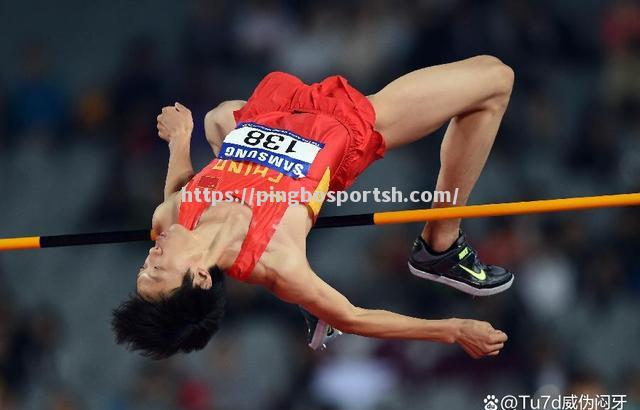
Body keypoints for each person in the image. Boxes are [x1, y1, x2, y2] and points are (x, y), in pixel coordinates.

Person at [112, 55, 513, 360]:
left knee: (218, 119)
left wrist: (180, 141)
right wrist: (455, 330)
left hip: (273, 112)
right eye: (158, 269)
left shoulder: (168, 218)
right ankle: (440, 246)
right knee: (495, 80)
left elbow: (179, 187)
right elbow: (354, 318)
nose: (151, 254)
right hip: (342, 128)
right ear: (200, 277)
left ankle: (312, 304)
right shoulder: (276, 262)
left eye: (143, 266)